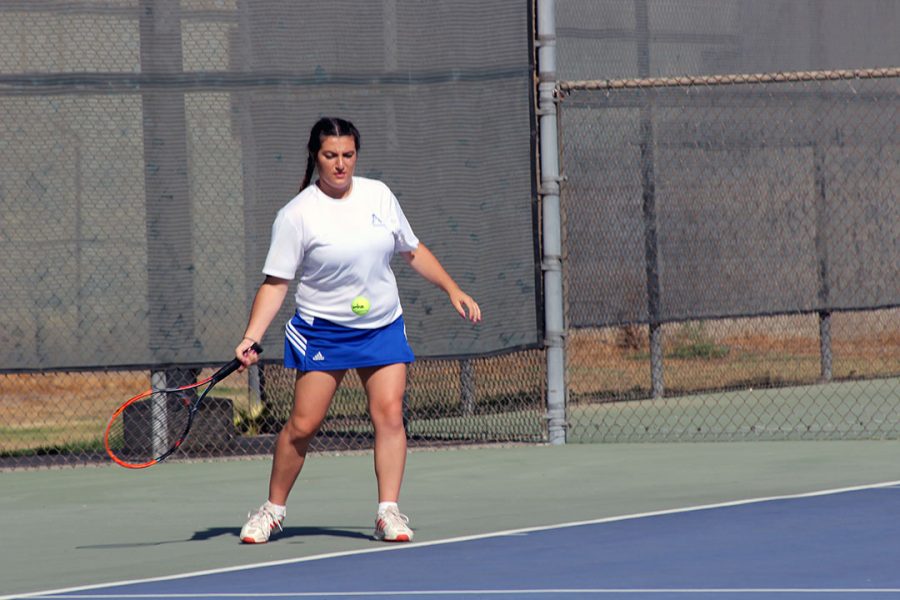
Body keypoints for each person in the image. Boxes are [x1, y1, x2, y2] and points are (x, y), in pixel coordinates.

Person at [234, 117, 481, 544]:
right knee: (304, 425)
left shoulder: (378, 196)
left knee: (389, 414)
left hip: (381, 325)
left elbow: (412, 249)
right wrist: (251, 335)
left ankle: (389, 512)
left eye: (348, 155)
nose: (340, 164)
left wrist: (451, 288)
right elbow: (276, 284)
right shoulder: (297, 216)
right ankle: (272, 510)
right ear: (316, 157)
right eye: (331, 156)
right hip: (323, 332)